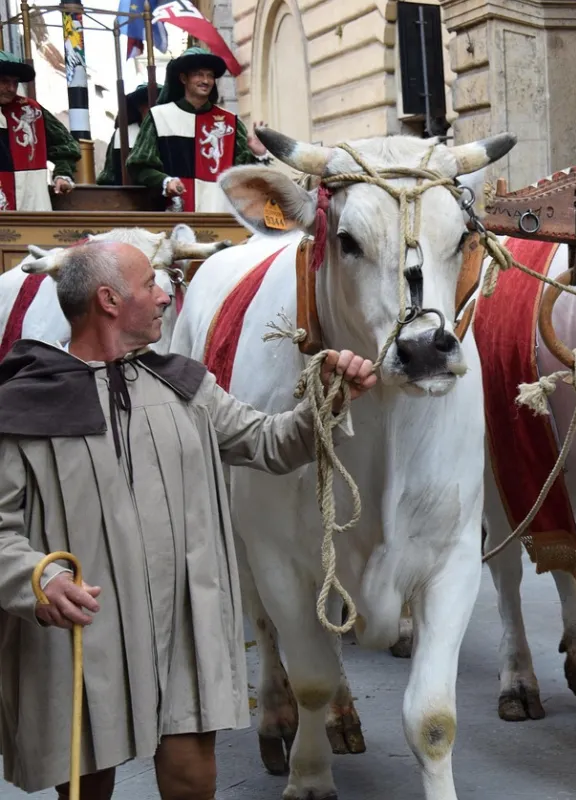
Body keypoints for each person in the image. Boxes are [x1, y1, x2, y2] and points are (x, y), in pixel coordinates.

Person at [0, 241, 377, 799]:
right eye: (150, 284)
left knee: (191, 776)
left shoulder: (186, 386)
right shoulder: (25, 404)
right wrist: (38, 579)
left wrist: (329, 398)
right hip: (84, 626)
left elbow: (270, 443)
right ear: (108, 300)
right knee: (84, 780)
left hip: (183, 623)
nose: (164, 294)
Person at [126, 46, 263, 212]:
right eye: (199, 74)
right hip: (174, 217)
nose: (206, 81)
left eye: (210, 76)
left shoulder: (230, 122)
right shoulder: (159, 116)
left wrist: (257, 153)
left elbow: (243, 173)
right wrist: (165, 181)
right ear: (183, 78)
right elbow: (138, 165)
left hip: (222, 217)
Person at [0, 50, 79, 209]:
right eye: (4, 81)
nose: (11, 88)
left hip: (30, 202)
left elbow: (66, 146)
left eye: (15, 83)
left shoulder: (31, 110)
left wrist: (62, 174)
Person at [96, 83, 161, 186]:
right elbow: (109, 174)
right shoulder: (123, 134)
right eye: (148, 104)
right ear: (139, 107)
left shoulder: (168, 131)